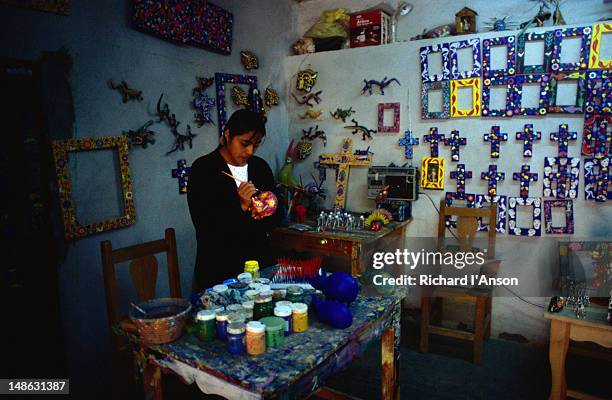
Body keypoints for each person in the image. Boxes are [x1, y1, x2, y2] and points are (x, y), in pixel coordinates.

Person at [187, 109, 280, 291]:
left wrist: (269, 210)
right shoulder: (204, 169)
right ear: (228, 134)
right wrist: (241, 206)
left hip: (260, 265)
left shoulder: (260, 168)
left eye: (256, 145)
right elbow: (205, 226)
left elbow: (275, 220)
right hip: (220, 270)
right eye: (244, 143)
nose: (250, 151)